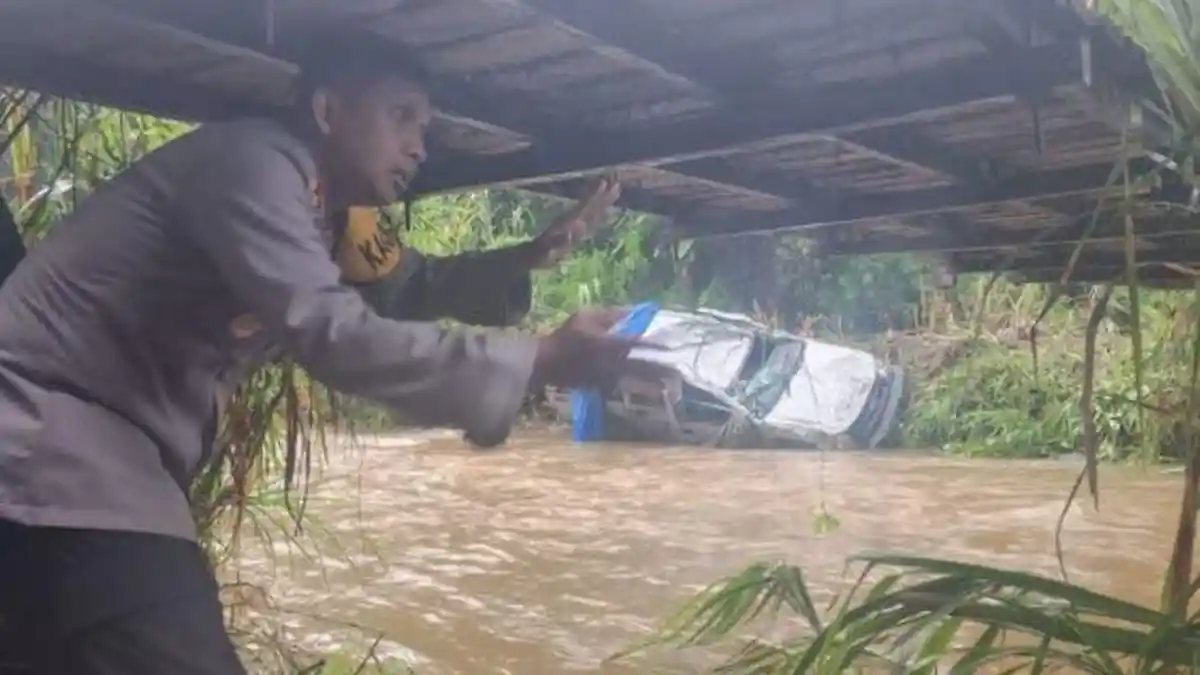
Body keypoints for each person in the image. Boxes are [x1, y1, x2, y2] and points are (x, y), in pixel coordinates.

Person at [0, 47, 663, 675]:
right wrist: (541, 357)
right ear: (326, 111)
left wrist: (530, 253)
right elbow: (336, 333)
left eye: (424, 126)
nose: (419, 146)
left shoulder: (332, 218)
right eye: (401, 115)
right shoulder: (255, 166)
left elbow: (412, 286)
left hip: (85, 453)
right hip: (55, 434)